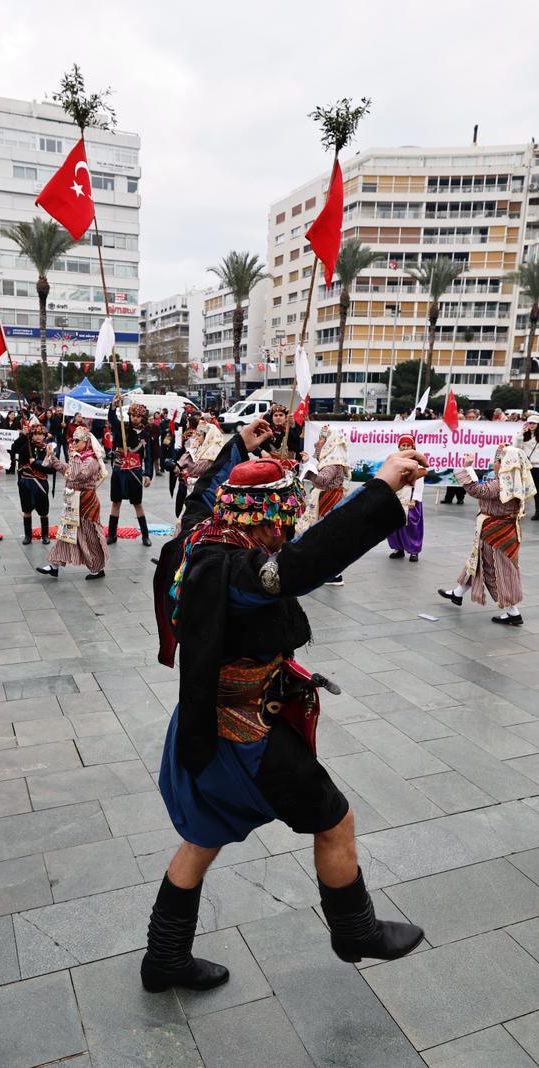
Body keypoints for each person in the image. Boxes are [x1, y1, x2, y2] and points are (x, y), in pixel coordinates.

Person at [140, 426, 428, 993]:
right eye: (284, 520)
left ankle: (164, 958)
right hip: (247, 734)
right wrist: (381, 488)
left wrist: (238, 444)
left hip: (204, 725)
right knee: (334, 818)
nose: (288, 530)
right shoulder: (240, 573)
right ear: (266, 520)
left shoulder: (198, 534)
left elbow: (208, 488)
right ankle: (355, 931)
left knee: (204, 834)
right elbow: (303, 563)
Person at [439, 442, 535, 625]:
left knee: (497, 571)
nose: (495, 463)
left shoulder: (501, 485)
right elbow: (483, 488)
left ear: (505, 464)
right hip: (502, 531)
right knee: (477, 561)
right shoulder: (513, 483)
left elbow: (477, 490)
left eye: (498, 460)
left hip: (494, 533)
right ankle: (458, 593)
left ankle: (513, 612)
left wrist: (467, 467)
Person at [39, 423, 108, 580]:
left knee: (90, 537)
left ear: (86, 442)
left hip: (86, 502)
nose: (73, 443)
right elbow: (68, 471)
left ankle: (97, 568)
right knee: (65, 532)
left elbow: (79, 475)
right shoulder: (78, 457)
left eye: (77, 441)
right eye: (73, 440)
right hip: (73, 501)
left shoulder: (91, 460)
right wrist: (53, 457)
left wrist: (74, 456)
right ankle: (54, 564)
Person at [305, 422, 353, 583]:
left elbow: (322, 481)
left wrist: (308, 472)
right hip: (329, 498)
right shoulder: (332, 457)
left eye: (322, 439)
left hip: (327, 499)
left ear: (330, 442)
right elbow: (319, 458)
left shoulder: (332, 462)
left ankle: (333, 574)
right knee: (327, 535)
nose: (319, 442)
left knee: (326, 536)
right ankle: (329, 572)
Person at [107, 400, 156, 547]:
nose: (135, 418)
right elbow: (112, 419)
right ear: (129, 415)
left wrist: (148, 474)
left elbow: (148, 457)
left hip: (134, 472)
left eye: (138, 416)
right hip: (119, 470)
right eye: (133, 415)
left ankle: (145, 536)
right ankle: (112, 534)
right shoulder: (123, 427)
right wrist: (113, 406)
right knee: (116, 502)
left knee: (138, 504)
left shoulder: (146, 435)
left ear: (142, 418)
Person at [384, 432, 425, 562]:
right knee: (395, 522)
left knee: (412, 524)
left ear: (413, 446)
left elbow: (419, 482)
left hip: (410, 497)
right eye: (403, 445)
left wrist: (415, 498)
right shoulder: (394, 461)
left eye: (408, 445)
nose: (406, 448)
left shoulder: (417, 462)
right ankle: (398, 548)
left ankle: (414, 550)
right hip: (396, 496)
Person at [15, 421, 57, 545]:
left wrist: (35, 463)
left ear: (44, 435)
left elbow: (50, 469)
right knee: (27, 509)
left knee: (44, 511)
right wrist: (23, 436)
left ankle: (45, 535)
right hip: (26, 481)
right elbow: (14, 448)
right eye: (35, 434)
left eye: (41, 434)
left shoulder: (48, 449)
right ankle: (28, 535)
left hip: (41, 483)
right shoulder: (25, 445)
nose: (38, 436)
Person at [516, 414, 539, 520]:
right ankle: (521, 510)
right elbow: (517, 448)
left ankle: (538, 512)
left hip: (537, 466)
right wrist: (521, 433)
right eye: (530, 423)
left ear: (538, 424)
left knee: (536, 489)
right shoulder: (523, 434)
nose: (532, 425)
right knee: (522, 488)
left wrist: (537, 458)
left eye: (534, 423)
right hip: (525, 465)